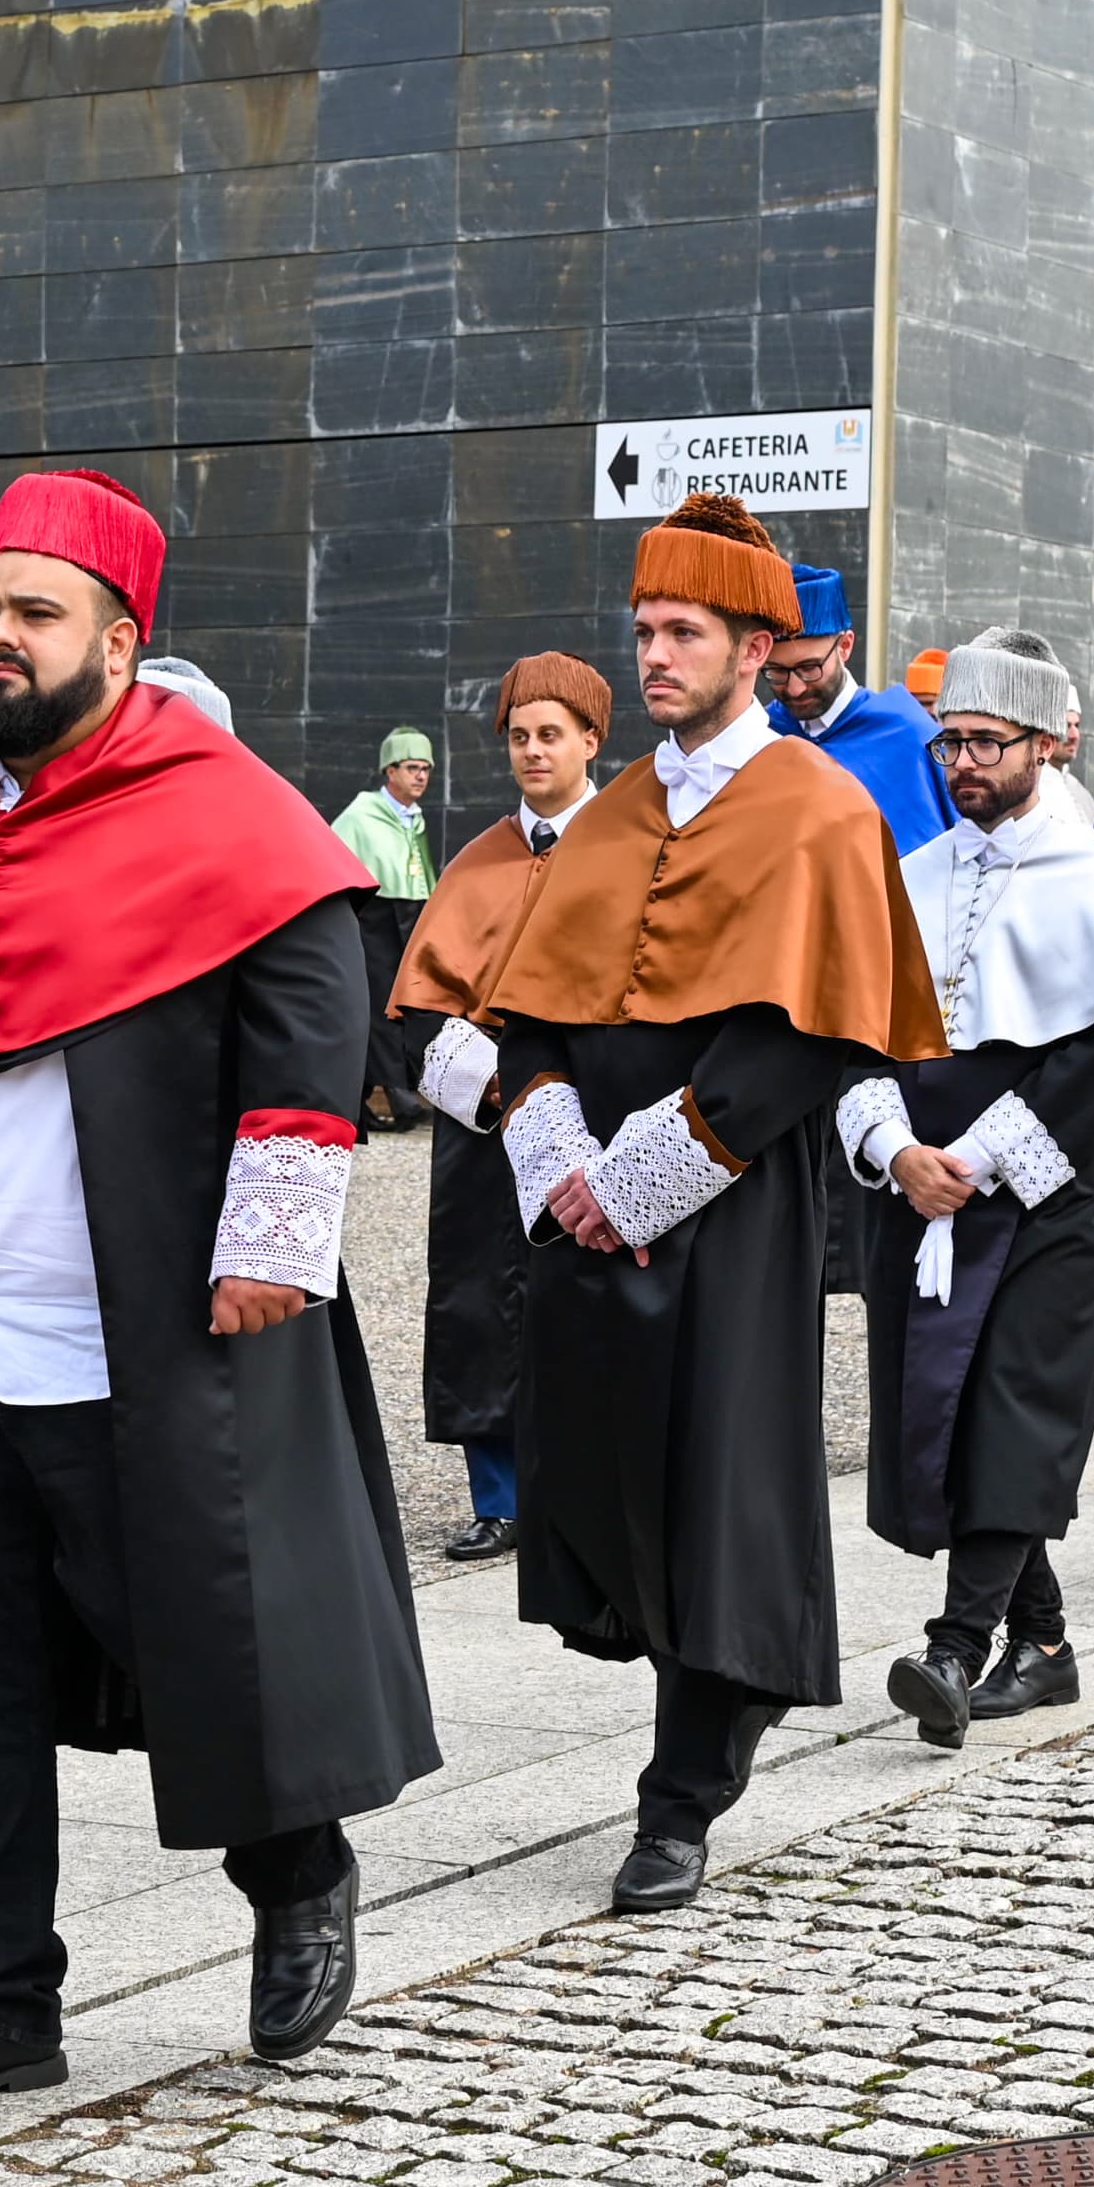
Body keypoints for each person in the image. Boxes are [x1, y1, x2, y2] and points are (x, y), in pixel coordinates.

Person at [0, 472, 433, 2111]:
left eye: (35, 615)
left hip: (132, 1332)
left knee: (201, 1637)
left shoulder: (226, 808)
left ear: (120, 636)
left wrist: (277, 1240)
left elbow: (315, 1021)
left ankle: (297, 1871)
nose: (0, 642)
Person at [470, 493, 938, 1906]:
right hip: (591, 1198)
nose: (658, 656)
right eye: (647, 630)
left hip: (729, 1193)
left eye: (686, 633)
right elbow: (532, 1010)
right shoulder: (612, 813)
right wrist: (552, 1147)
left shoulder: (817, 805)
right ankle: (697, 1702)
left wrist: (646, 1175)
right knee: (613, 1469)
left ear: (757, 646)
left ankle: (684, 1785)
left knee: (720, 1479)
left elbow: (810, 1028)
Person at [838, 628, 1094, 1744]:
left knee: (1015, 1408)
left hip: (1051, 1190)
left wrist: (978, 1160)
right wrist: (894, 1146)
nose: (962, 765)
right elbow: (855, 1038)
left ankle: (954, 1645)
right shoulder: (915, 874)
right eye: (949, 744)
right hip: (919, 1187)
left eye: (985, 744)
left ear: (1044, 744)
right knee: (950, 1408)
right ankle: (1039, 1645)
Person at [384, 656, 611, 1564]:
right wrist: (493, 1087)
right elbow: (420, 1009)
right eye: (518, 736)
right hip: (484, 1132)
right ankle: (500, 1495)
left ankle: (589, 1488)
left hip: (597, 1124)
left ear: (592, 741)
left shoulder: (636, 855)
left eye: (549, 734)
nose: (532, 752)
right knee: (484, 1304)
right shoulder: (478, 861)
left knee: (590, 1298)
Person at [763, 558, 950, 851]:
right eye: (776, 672)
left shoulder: (910, 735)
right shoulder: (760, 736)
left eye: (810, 668)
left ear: (846, 646)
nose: (795, 688)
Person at [332, 731, 441, 1131]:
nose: (421, 777)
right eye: (413, 768)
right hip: (373, 922)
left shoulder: (415, 820)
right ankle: (397, 1091)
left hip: (408, 918)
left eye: (426, 769)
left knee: (400, 1006)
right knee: (378, 1008)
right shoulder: (361, 816)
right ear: (390, 771)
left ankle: (364, 1102)